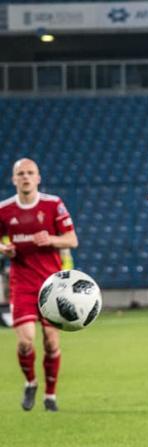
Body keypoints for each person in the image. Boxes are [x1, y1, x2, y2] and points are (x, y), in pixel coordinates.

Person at [0, 158, 79, 412]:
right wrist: (4, 249)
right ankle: (31, 382)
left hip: (52, 286)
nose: (25, 177)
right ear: (13, 179)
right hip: (21, 283)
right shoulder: (4, 210)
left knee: (51, 343)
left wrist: (52, 239)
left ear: (38, 177)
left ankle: (50, 396)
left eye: (30, 173)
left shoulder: (53, 204)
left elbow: (72, 240)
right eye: (20, 173)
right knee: (26, 341)